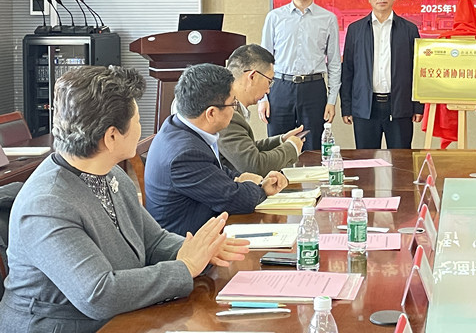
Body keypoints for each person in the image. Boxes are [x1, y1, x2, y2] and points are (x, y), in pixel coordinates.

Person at [0, 66, 248, 332]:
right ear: (111, 136)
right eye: (137, 121)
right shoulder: (46, 204)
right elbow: (99, 294)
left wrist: (201, 249)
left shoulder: (109, 173)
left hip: (120, 317)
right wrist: (185, 267)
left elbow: (153, 241)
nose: (142, 128)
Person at [145, 63, 288, 236]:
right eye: (233, 103)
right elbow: (234, 200)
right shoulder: (185, 154)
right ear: (211, 113)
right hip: (188, 243)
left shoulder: (178, 126)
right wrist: (261, 188)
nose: (235, 109)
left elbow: (215, 172)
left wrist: (240, 178)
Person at [259, 0, 341, 150]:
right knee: (277, 147)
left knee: (313, 148)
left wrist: (332, 101)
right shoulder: (274, 17)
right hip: (280, 88)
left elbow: (334, 63)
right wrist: (262, 99)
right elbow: (263, 60)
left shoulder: (328, 19)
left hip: (313, 89)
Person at [340, 0, 424, 148]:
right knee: (367, 160)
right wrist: (346, 107)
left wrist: (418, 106)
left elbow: (417, 70)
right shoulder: (355, 30)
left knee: (401, 160)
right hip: (365, 107)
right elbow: (348, 70)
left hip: (399, 106)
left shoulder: (409, 29)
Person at [219, 44, 305, 175]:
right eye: (269, 82)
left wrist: (281, 140)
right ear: (252, 77)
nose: (268, 90)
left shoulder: (231, 106)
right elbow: (253, 165)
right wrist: (291, 147)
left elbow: (249, 149)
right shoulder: (227, 111)